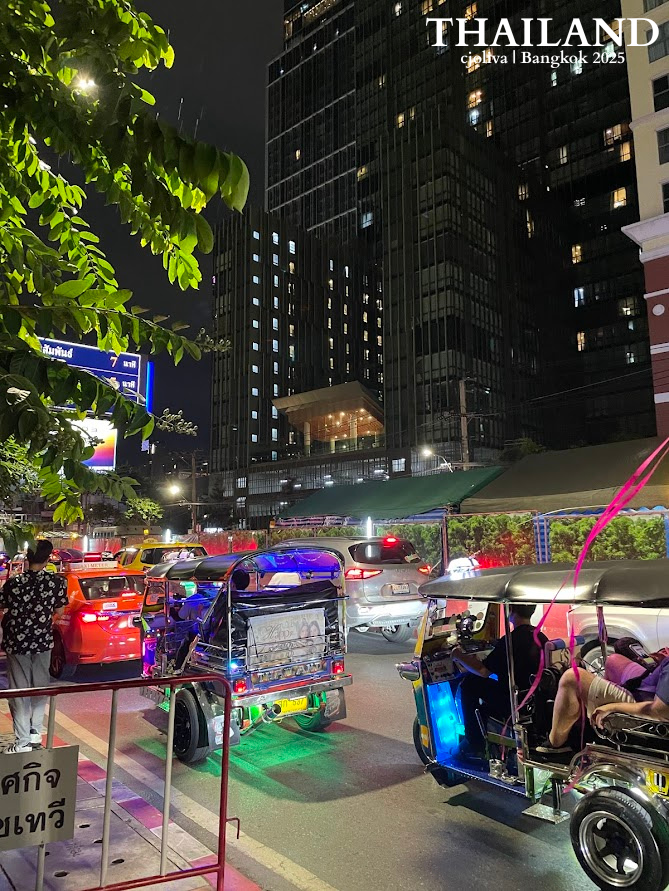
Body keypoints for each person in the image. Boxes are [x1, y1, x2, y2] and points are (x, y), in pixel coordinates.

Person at [452, 604, 547, 758]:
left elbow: (483, 671)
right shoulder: (539, 636)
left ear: (512, 611)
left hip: (513, 701)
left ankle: (474, 742)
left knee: (470, 682)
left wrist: (458, 655)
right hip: (532, 698)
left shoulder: (510, 641)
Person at [0, 540, 68, 753]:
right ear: (48, 559)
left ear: (26, 558)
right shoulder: (55, 582)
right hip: (42, 641)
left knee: (19, 691)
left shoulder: (14, 582)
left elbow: (2, 606)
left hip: (16, 642)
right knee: (40, 688)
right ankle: (35, 733)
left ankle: (21, 743)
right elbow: (60, 610)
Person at [537, 651, 669, 754]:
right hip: (649, 689)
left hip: (647, 715)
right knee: (613, 660)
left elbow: (659, 711)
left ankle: (556, 745)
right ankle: (591, 712)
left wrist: (612, 707)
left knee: (572, 677)